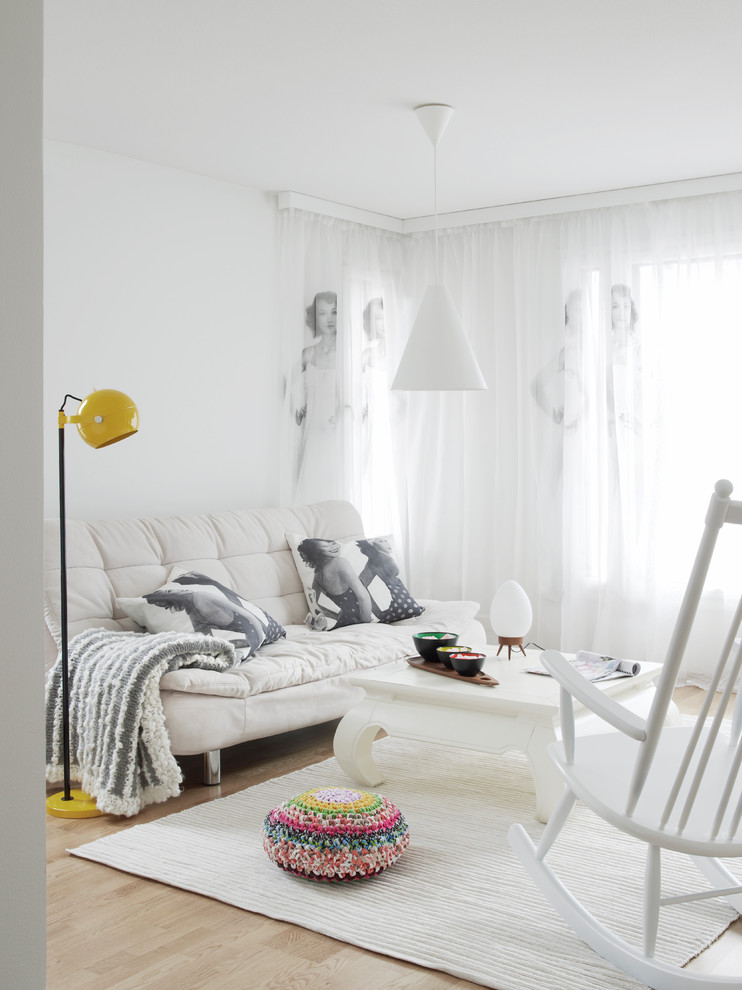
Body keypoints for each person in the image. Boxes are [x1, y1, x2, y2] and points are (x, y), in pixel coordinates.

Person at [290, 291, 339, 502]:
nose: (329, 319)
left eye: (334, 312)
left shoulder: (346, 355)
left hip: (336, 438)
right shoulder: (307, 355)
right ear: (315, 318)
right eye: (323, 313)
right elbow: (288, 386)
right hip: (311, 437)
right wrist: (297, 403)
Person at [143, 584, 263, 655]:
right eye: (165, 607)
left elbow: (247, 615)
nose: (167, 608)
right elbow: (208, 641)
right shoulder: (193, 614)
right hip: (247, 636)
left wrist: (259, 636)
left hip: (256, 627)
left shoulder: (201, 596)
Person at [297, 538, 373, 628]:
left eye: (332, 543)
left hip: (344, 621)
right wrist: (367, 624)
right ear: (316, 552)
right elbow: (363, 597)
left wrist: (336, 616)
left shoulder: (317, 574)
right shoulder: (339, 562)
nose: (333, 547)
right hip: (360, 619)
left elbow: (313, 604)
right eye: (325, 546)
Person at [357, 537, 423, 622]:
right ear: (374, 546)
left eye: (385, 541)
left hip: (401, 598)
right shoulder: (379, 560)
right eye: (380, 541)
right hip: (400, 598)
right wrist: (377, 612)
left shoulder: (377, 559)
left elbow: (361, 584)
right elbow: (361, 584)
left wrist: (377, 612)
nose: (386, 544)